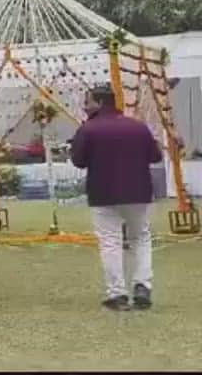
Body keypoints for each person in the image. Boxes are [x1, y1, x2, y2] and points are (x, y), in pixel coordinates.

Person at [71, 84, 162, 312]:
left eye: (88, 101)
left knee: (110, 241)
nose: (84, 106)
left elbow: (78, 161)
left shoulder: (88, 129)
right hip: (139, 192)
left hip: (103, 194)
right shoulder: (139, 127)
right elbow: (155, 156)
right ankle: (142, 286)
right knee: (141, 237)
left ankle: (118, 294)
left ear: (100, 103)